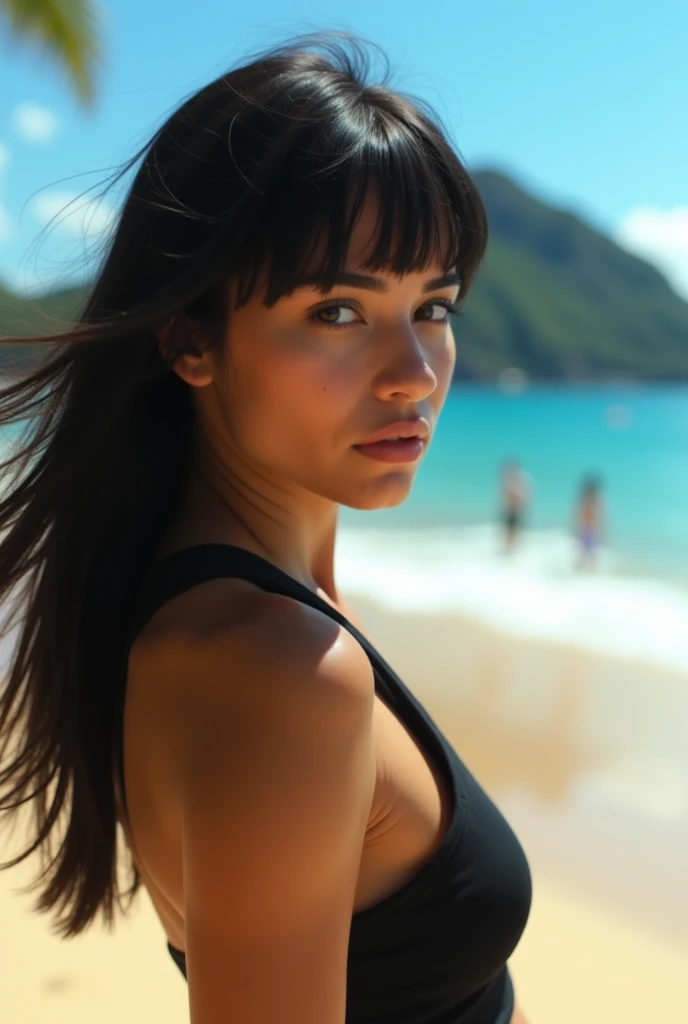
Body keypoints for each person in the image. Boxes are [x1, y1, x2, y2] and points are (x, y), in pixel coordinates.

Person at [0, 35, 532, 1024]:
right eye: (338, 310)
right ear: (191, 340)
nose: (414, 373)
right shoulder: (279, 669)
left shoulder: (259, 618)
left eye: (435, 305)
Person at [574, 474, 605, 570]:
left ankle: (585, 567)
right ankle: (587, 568)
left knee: (587, 551)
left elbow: (583, 516)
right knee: (587, 551)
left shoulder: (588, 500)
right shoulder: (591, 501)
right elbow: (590, 516)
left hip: (588, 528)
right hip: (588, 528)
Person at [500, 459, 530, 553]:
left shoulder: (518, 480)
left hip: (514, 510)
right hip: (511, 509)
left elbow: (520, 497)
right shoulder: (512, 480)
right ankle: (509, 548)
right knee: (509, 529)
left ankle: (511, 549)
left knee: (513, 529)